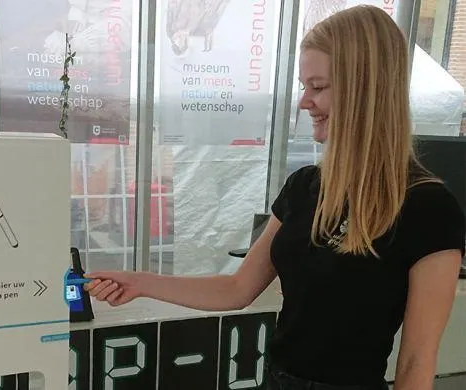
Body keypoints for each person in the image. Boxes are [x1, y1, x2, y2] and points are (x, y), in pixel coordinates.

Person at [84, 5, 465, 390]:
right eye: (305, 87)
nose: (304, 102)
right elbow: (236, 290)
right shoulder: (304, 187)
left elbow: (416, 361)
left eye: (318, 87)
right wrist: (139, 282)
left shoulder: (429, 208)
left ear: (366, 88)